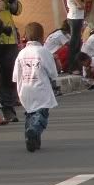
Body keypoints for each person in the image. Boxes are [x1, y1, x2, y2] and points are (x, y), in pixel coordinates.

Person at [14, 22, 58, 153]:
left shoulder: (21, 53)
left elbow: (16, 76)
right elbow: (52, 73)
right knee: (41, 115)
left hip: (25, 90)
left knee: (30, 114)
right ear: (42, 37)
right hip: (40, 89)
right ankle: (33, 131)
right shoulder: (44, 51)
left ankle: (33, 139)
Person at [65, 0, 86, 72]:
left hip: (77, 18)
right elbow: (80, 5)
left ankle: (77, 66)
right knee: (74, 44)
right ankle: (72, 67)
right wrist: (83, 5)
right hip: (74, 18)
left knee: (77, 43)